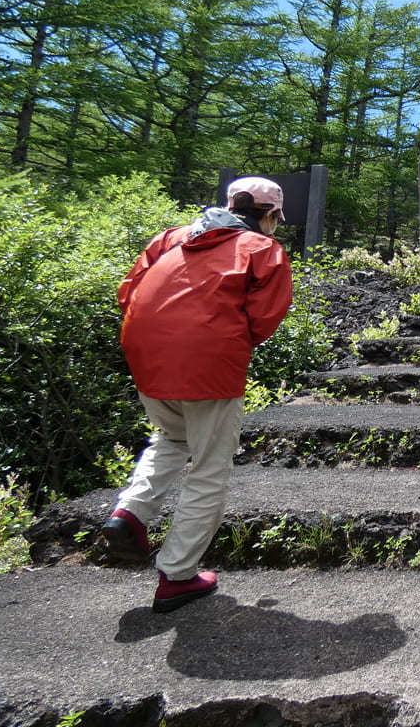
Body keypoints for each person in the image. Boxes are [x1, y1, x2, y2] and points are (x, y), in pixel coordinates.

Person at [102, 176, 293, 613]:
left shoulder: (170, 238)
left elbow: (128, 292)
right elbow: (263, 319)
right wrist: (219, 343)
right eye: (276, 219)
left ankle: (129, 512)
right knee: (209, 466)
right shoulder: (263, 249)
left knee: (171, 437)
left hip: (145, 353)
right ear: (268, 214)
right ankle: (179, 576)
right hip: (208, 362)